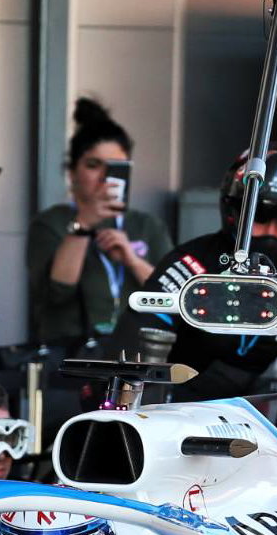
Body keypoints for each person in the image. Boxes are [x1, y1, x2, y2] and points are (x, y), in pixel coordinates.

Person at [125, 143, 277, 400]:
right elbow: (128, 372)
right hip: (166, 407)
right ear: (233, 211)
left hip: (241, 413)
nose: (271, 232)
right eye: (260, 215)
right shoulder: (188, 267)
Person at [26, 98, 173, 352]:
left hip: (137, 352)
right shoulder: (51, 222)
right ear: (72, 172)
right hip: (73, 354)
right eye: (93, 166)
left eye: (115, 168)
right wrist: (82, 225)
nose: (105, 178)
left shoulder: (146, 225)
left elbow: (171, 296)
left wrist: (132, 260)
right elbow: (56, 294)